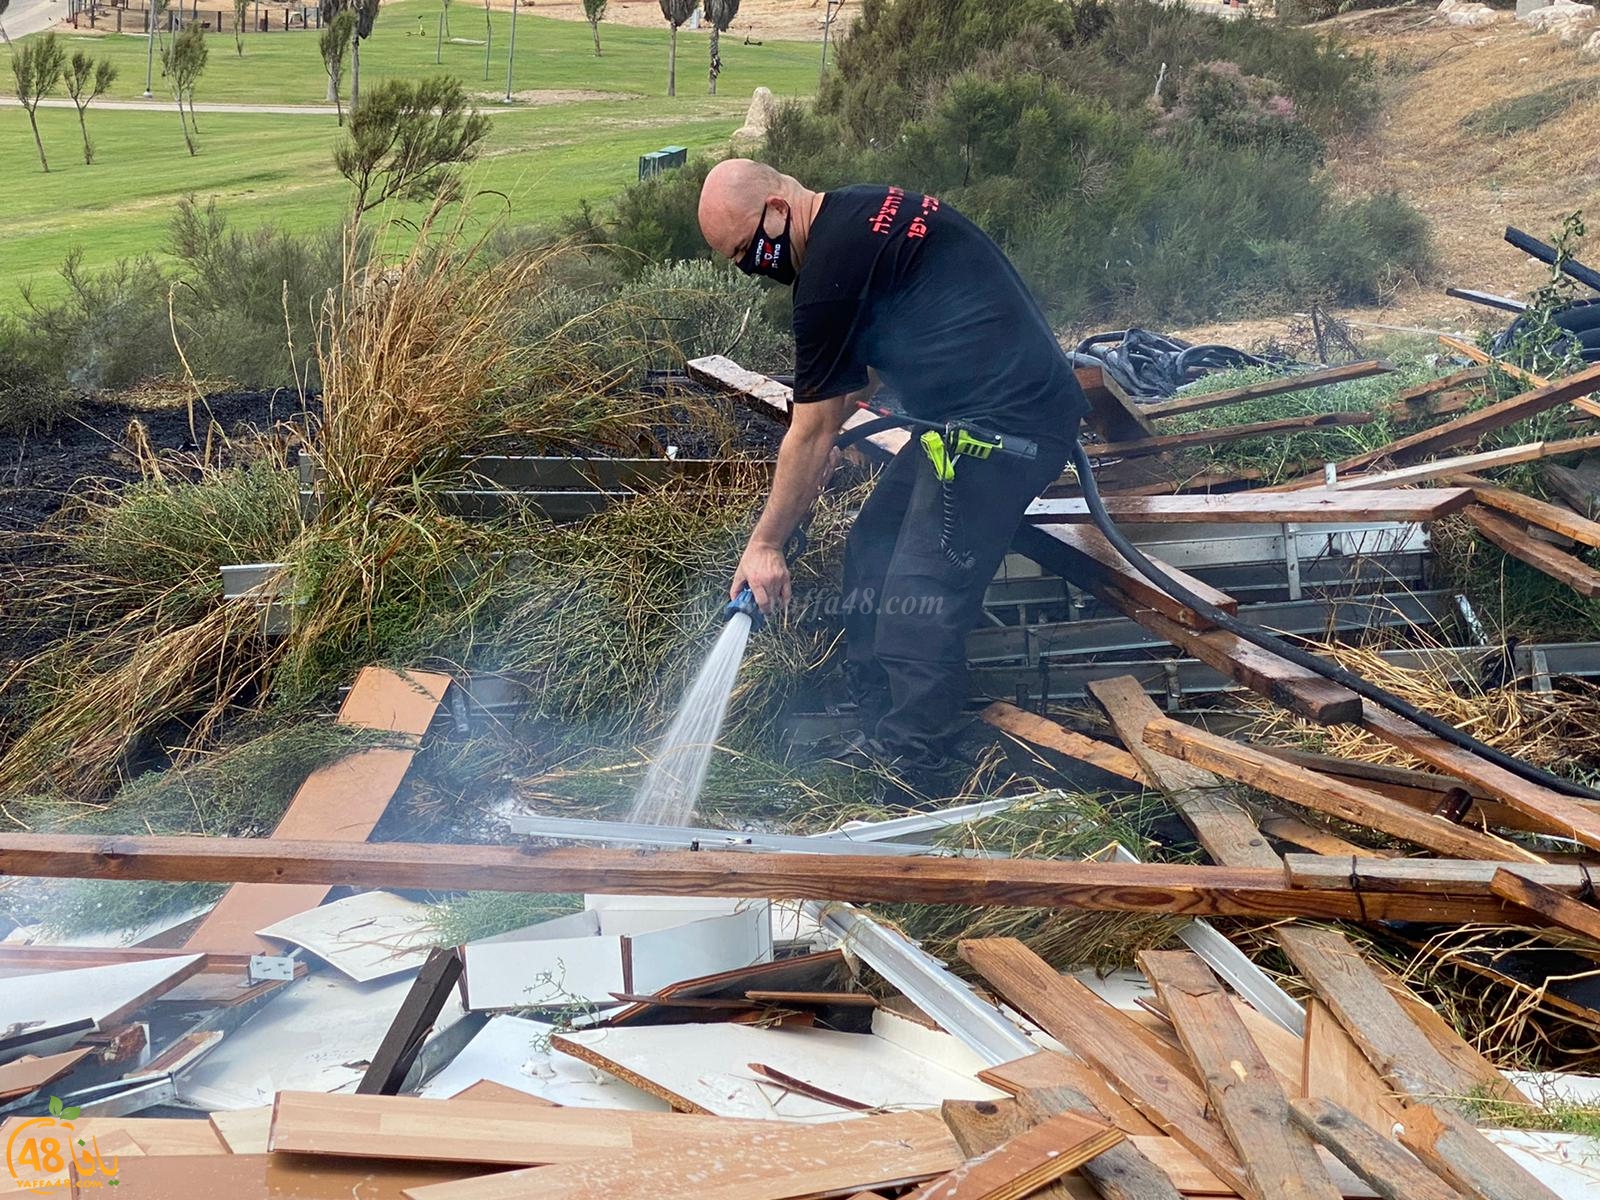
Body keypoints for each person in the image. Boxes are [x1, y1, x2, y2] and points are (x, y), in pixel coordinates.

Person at [697, 159, 1090, 786]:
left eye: (747, 250)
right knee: (870, 554)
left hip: (1006, 430)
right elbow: (881, 346)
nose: (750, 269)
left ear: (777, 209)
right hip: (963, 422)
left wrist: (766, 544)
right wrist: (824, 439)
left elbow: (813, 425)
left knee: (920, 601)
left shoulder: (828, 274)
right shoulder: (858, 213)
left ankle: (915, 773)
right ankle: (877, 729)